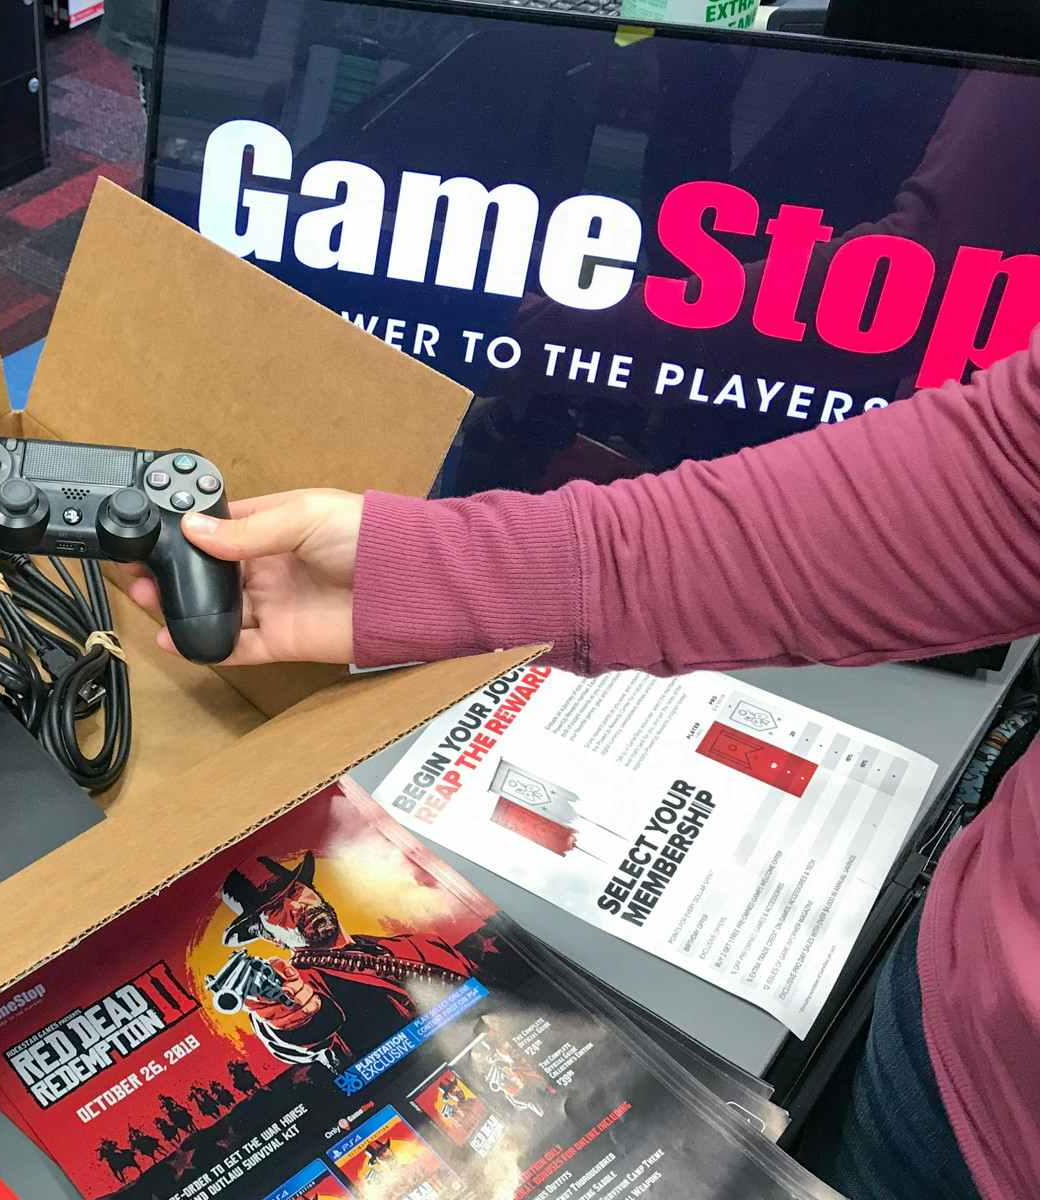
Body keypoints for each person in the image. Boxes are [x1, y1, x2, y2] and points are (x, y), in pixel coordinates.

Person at [119, 330, 1040, 1200]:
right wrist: (428, 571)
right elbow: (999, 481)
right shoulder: (309, 984)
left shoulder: (345, 958)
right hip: (958, 1055)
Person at [218, 853, 479, 1070]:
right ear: (271, 938)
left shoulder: (421, 944)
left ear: (315, 892)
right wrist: (290, 1016)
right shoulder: (298, 983)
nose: (297, 906)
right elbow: (303, 1028)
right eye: (275, 910)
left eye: (296, 890)